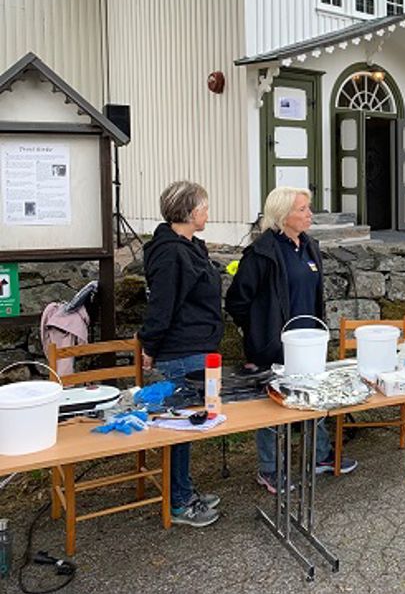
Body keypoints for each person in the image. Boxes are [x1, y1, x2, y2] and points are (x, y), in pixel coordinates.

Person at [226, 186, 358, 493]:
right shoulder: (262, 252)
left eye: (308, 208)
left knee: (314, 395)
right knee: (273, 406)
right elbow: (237, 301)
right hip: (272, 345)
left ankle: (320, 456)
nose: (309, 214)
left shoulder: (308, 246)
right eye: (302, 209)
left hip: (308, 342)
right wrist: (258, 331)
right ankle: (269, 469)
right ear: (283, 215)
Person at [138, 181, 222, 528]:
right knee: (180, 428)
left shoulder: (189, 246)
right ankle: (179, 502)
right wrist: (150, 347)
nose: (207, 213)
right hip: (180, 351)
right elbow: (162, 305)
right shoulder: (171, 253)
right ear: (189, 212)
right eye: (203, 207)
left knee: (190, 424)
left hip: (196, 347)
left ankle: (184, 490)